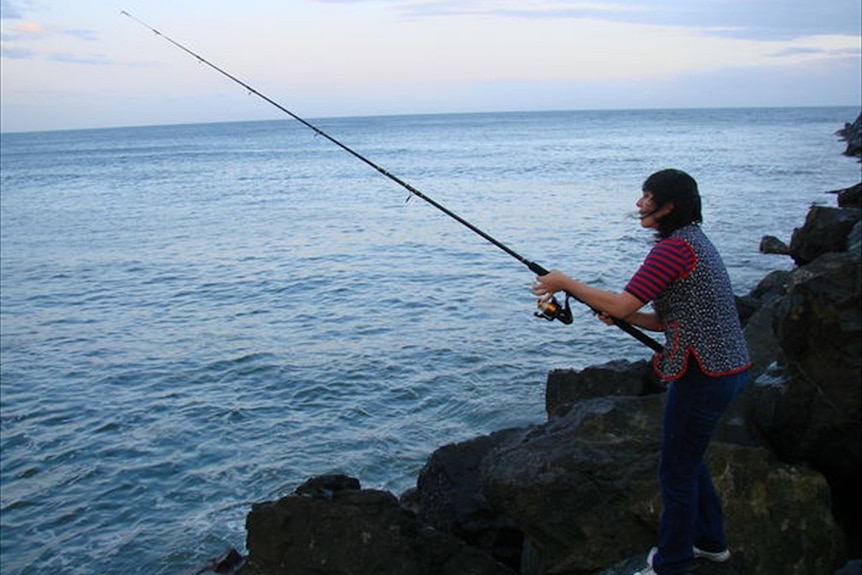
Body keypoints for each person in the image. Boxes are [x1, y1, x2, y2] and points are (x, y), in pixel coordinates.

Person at [531, 169, 750, 575]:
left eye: (647, 197)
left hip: (703, 374)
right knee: (690, 459)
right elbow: (668, 319)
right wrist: (621, 315)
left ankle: (672, 563)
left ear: (669, 206)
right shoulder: (694, 243)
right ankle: (711, 543)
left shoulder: (672, 250)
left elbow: (623, 305)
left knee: (676, 472)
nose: (639, 204)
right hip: (727, 368)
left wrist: (565, 282)